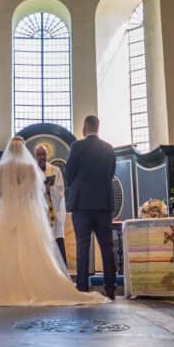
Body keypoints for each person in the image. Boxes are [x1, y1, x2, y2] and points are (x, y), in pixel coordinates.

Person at [0, 137, 108, 306]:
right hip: (26, 214)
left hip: (6, 214)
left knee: (2, 249)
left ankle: (0, 286)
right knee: (31, 249)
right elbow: (35, 194)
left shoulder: (2, 168)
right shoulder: (30, 169)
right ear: (24, 150)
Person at [63, 115, 118, 300]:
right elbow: (111, 174)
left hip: (82, 205)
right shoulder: (109, 148)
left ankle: (82, 289)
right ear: (98, 127)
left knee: (82, 246)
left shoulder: (77, 146)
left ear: (85, 127)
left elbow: (68, 173)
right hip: (103, 205)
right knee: (107, 247)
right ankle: (110, 290)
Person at [34, 144, 67, 264]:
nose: (42, 157)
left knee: (56, 239)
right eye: (39, 155)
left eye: (44, 154)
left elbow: (60, 190)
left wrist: (49, 189)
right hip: (39, 213)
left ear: (47, 155)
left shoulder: (55, 170)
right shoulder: (33, 172)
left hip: (53, 212)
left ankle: (61, 272)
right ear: (35, 156)